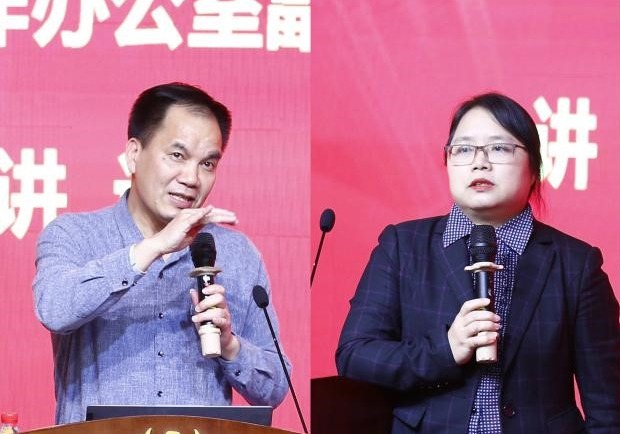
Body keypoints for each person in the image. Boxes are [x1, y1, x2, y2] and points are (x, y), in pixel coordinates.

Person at [336, 93, 620, 434]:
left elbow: (607, 407)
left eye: (499, 148)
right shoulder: (402, 246)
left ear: (535, 169)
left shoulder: (576, 264)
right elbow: (355, 355)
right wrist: (446, 349)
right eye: (464, 149)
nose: (479, 163)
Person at [33, 82, 290, 424]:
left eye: (207, 164)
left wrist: (230, 345)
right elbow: (53, 309)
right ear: (133, 154)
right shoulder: (74, 235)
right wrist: (153, 247)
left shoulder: (237, 254)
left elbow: (276, 387)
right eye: (177, 156)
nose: (192, 178)